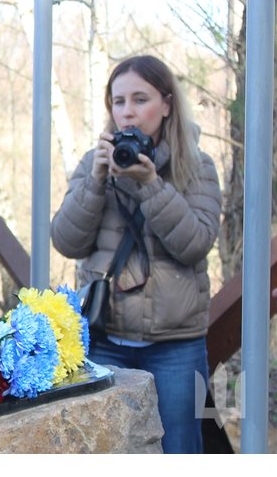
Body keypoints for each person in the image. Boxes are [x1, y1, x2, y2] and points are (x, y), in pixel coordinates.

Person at [51, 54, 221, 454]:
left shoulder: (196, 167)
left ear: (166, 105)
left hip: (175, 344)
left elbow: (195, 243)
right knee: (108, 449)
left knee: (178, 448)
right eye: (118, 101)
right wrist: (95, 182)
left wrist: (150, 185)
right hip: (107, 336)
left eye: (140, 100)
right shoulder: (93, 164)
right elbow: (66, 242)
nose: (128, 113)